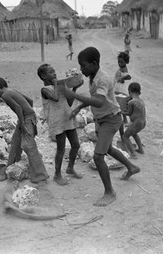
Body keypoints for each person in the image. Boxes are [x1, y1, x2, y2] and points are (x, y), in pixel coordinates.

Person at [64, 47, 140, 207]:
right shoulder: (93, 77)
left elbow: (98, 101)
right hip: (101, 119)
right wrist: (79, 107)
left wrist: (74, 96)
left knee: (98, 156)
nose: (81, 69)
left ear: (93, 63)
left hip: (111, 120)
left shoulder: (103, 79)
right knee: (107, 149)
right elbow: (95, 98)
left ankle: (109, 192)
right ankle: (131, 167)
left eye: (83, 66)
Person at [0, 77, 49, 184]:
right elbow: (30, 101)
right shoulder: (12, 90)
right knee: (16, 142)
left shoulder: (5, 95)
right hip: (26, 117)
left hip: (26, 118)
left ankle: (40, 175)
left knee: (29, 146)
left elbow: (18, 108)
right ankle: (11, 167)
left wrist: (23, 123)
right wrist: (26, 115)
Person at [37, 64, 83, 186]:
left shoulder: (59, 87)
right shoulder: (45, 90)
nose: (55, 74)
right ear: (43, 76)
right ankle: (57, 175)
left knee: (76, 145)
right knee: (61, 149)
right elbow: (56, 98)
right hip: (57, 122)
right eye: (51, 72)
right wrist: (57, 84)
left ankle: (70, 168)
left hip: (67, 118)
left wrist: (74, 89)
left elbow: (69, 101)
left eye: (55, 71)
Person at [120, 82, 146, 157]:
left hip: (137, 123)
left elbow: (129, 113)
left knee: (125, 136)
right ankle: (141, 149)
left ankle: (133, 154)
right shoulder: (140, 100)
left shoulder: (131, 102)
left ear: (129, 91)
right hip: (143, 122)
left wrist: (121, 112)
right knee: (134, 133)